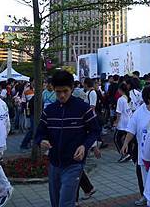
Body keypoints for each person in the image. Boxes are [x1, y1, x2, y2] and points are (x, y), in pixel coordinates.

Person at [35, 71, 100, 207]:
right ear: (53, 89)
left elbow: (94, 130)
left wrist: (85, 146)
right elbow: (39, 133)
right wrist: (41, 141)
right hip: (54, 163)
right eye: (58, 92)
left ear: (71, 88)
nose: (62, 95)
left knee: (65, 202)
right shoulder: (49, 111)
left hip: (74, 164)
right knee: (55, 202)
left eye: (65, 91)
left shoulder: (82, 108)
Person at [121, 86, 150, 206]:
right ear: (149, 99)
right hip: (144, 155)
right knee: (147, 181)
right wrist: (125, 143)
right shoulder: (140, 112)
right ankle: (147, 198)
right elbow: (131, 129)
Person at [114, 82, 133, 162]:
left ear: (120, 90)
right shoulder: (129, 98)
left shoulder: (121, 99)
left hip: (122, 123)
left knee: (116, 139)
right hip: (129, 121)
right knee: (128, 140)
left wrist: (116, 122)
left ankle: (124, 154)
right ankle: (129, 154)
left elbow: (119, 113)